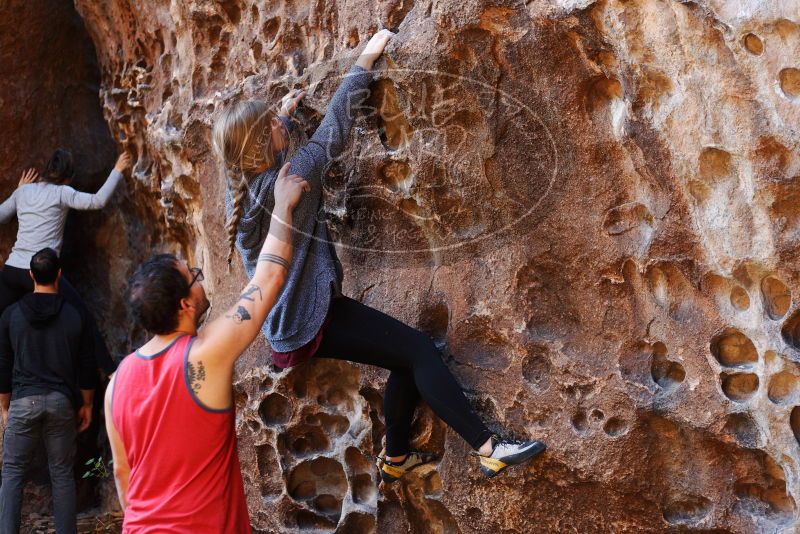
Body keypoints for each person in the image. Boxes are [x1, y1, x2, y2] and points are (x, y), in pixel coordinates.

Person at [213, 29, 546, 481]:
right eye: (270, 122)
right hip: (311, 318)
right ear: (259, 144)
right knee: (419, 349)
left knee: (405, 355)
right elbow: (333, 129)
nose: (279, 120)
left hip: (289, 321)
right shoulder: (292, 181)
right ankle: (489, 448)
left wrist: (285, 119)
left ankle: (394, 459)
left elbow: (275, 149)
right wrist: (366, 58)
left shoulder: (246, 193)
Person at [105, 163, 308, 532]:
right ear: (184, 305)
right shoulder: (203, 354)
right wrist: (282, 205)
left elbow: (122, 472)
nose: (201, 280)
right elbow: (270, 276)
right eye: (194, 278)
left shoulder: (116, 383)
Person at [0, 149, 132, 374]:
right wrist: (117, 170)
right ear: (68, 176)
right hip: (43, 272)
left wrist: (18, 191)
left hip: (12, 271)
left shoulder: (24, 192)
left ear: (46, 168)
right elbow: (97, 201)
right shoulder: (62, 193)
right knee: (82, 318)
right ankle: (111, 373)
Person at [0, 248, 98, 534]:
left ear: (30, 275)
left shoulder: (11, 316)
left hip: (23, 400)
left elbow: (3, 364)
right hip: (61, 403)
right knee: (62, 475)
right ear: (59, 275)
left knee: (12, 474)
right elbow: (86, 364)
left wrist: (5, 406)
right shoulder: (74, 315)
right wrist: (88, 404)